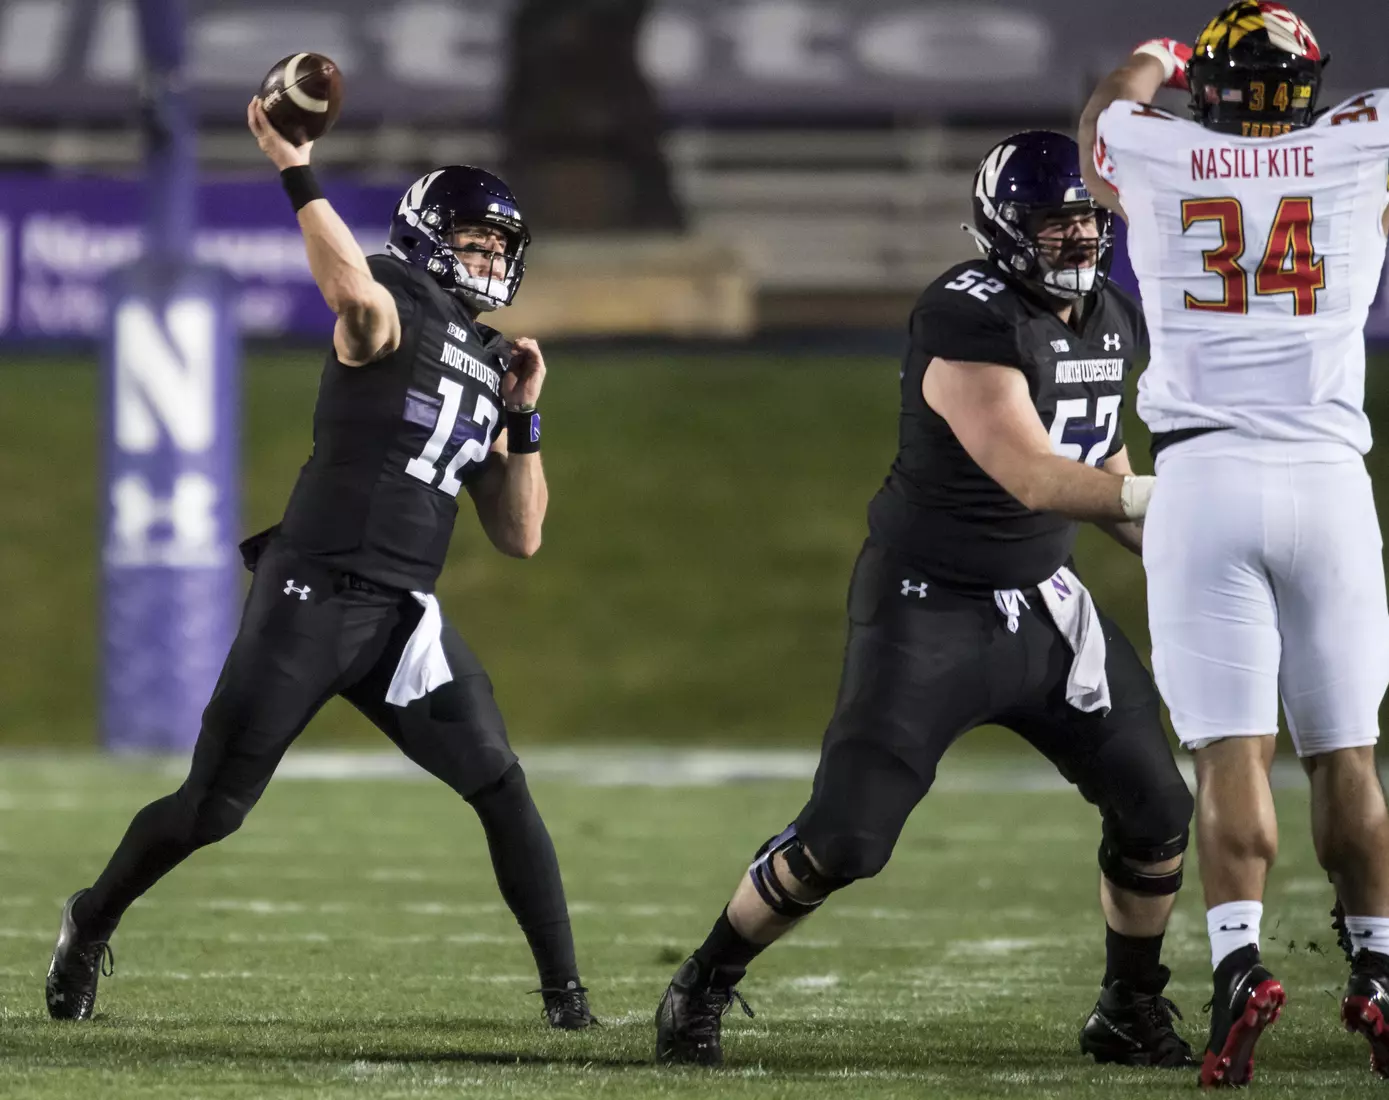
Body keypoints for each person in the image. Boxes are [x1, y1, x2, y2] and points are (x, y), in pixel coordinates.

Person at [45, 99, 594, 1030]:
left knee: (501, 785)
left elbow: (521, 534)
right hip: (314, 593)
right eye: (473, 239)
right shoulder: (390, 301)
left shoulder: (491, 357)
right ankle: (89, 921)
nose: (490, 258)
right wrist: (293, 164)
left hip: (403, 614)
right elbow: (354, 298)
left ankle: (566, 1000)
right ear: (425, 238)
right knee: (213, 809)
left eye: (501, 246)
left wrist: (525, 418)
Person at [654, 130, 1194, 1069]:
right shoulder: (965, 313)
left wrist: (1192, 556)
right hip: (930, 606)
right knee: (846, 840)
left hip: (1045, 606)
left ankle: (1128, 1007)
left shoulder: (1111, 315)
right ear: (1002, 229)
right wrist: (1194, 502)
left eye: (1084, 218)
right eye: (1053, 222)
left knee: (1157, 810)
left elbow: (1099, 460)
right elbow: (1034, 476)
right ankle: (703, 980)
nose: (1075, 236)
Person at [1080, 2, 1389, 1086]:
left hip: (1204, 479)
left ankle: (1238, 965)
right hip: (1329, 479)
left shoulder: (1157, 150)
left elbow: (1103, 117)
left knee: (1229, 753)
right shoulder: (1363, 138)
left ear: (1203, 88)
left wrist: (1153, 58)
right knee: (1347, 753)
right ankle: (1379, 969)